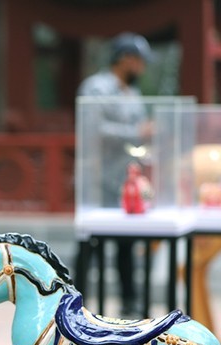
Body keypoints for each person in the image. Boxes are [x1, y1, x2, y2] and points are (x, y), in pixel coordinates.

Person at [74, 32, 154, 317]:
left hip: (126, 180)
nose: (142, 67)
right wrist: (136, 132)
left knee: (127, 244)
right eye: (139, 61)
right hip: (97, 179)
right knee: (90, 244)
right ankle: (75, 302)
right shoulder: (96, 88)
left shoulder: (133, 93)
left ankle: (130, 304)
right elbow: (93, 128)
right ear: (125, 59)